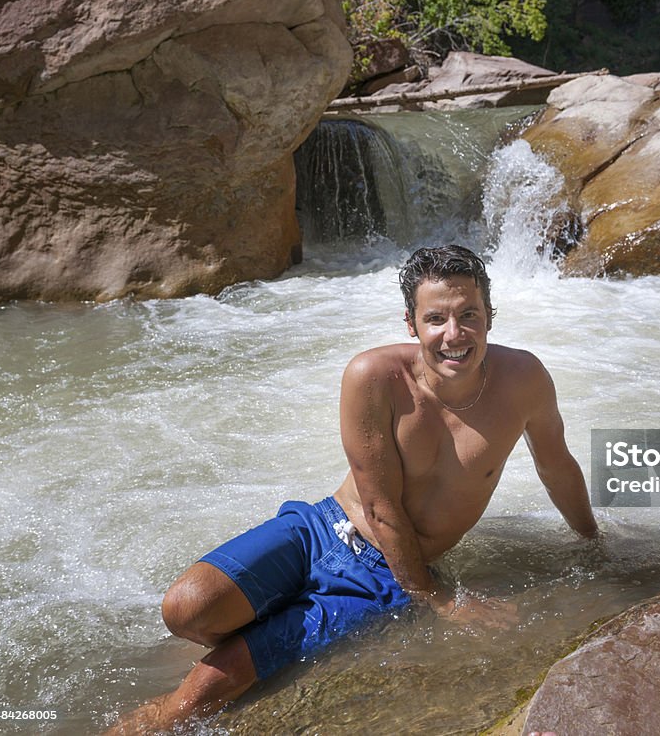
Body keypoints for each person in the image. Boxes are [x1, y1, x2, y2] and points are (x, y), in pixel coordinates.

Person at [108, 244, 598, 734]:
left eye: (469, 315)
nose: (454, 335)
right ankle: (262, 628)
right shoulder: (374, 376)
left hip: (384, 571)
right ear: (412, 323)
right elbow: (381, 506)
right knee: (186, 607)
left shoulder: (524, 380)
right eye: (436, 319)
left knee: (189, 703)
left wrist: (593, 544)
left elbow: (556, 466)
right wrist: (438, 599)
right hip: (321, 528)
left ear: (490, 316)